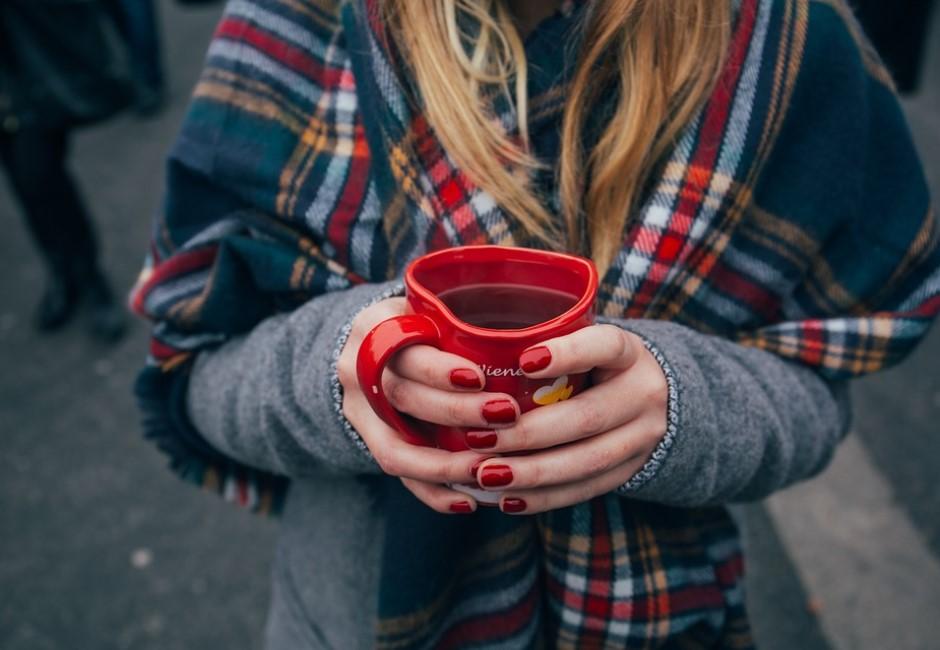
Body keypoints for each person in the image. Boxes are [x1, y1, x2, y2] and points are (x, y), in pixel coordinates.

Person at [131, 0, 940, 647]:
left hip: (657, 617)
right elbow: (198, 368)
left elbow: (818, 392)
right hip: (350, 618)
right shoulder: (299, 23)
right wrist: (344, 369)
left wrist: (680, 407)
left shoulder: (783, 43)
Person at [1, 0, 130, 341]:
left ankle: (90, 275)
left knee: (40, 172)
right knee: (24, 184)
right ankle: (60, 270)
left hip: (28, 59)